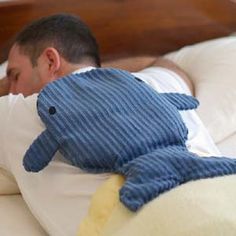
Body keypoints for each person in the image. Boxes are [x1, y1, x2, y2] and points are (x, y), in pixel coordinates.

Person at [0, 13, 220, 235]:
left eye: (15, 76)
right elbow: (163, 63)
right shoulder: (157, 83)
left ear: (50, 61)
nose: (11, 89)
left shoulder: (19, 112)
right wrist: (100, 76)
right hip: (224, 202)